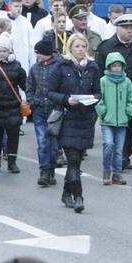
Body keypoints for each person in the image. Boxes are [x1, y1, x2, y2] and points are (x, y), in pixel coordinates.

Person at [96, 14, 132, 170]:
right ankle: (115, 157)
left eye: (131, 27)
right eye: (125, 28)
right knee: (114, 128)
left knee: (129, 128)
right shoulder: (106, 47)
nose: (129, 31)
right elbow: (98, 74)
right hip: (111, 97)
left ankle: (124, 156)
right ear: (117, 28)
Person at [51, 34, 100, 213]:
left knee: (77, 161)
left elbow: (98, 93)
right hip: (67, 118)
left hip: (85, 119)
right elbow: (50, 92)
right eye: (77, 46)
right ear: (70, 48)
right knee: (72, 159)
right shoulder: (61, 67)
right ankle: (78, 197)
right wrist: (66, 99)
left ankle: (66, 193)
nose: (80, 50)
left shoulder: (93, 67)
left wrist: (92, 99)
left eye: (83, 46)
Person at [0, 33, 25, 174]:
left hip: (13, 105)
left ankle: (12, 162)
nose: (1, 53)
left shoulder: (16, 65)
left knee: (13, 136)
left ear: (10, 52)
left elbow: (23, 84)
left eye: (4, 51)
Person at [96, 52, 132, 186]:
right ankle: (107, 170)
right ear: (109, 67)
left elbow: (131, 99)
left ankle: (117, 174)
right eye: (114, 66)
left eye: (119, 65)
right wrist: (103, 112)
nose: (117, 68)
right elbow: (98, 98)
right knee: (108, 144)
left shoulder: (127, 81)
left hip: (122, 120)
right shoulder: (103, 81)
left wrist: (128, 112)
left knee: (119, 149)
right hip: (107, 120)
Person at [27, 38, 62, 187]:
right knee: (42, 142)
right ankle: (44, 171)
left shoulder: (59, 66)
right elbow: (30, 86)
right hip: (40, 109)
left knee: (53, 144)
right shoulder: (35, 68)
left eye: (38, 53)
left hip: (55, 111)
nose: (37, 56)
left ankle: (51, 170)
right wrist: (32, 100)